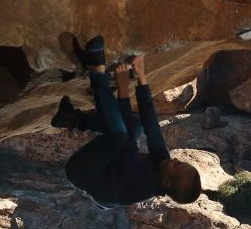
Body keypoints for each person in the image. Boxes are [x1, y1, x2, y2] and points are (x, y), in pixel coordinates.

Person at [51, 35, 201, 208]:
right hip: (111, 170)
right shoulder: (164, 166)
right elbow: (151, 124)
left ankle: (96, 69)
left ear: (166, 183)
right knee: (137, 125)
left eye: (176, 165)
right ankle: (72, 119)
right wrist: (141, 75)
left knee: (119, 135)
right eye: (180, 162)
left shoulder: (140, 182)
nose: (174, 160)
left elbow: (126, 140)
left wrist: (123, 87)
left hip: (82, 172)